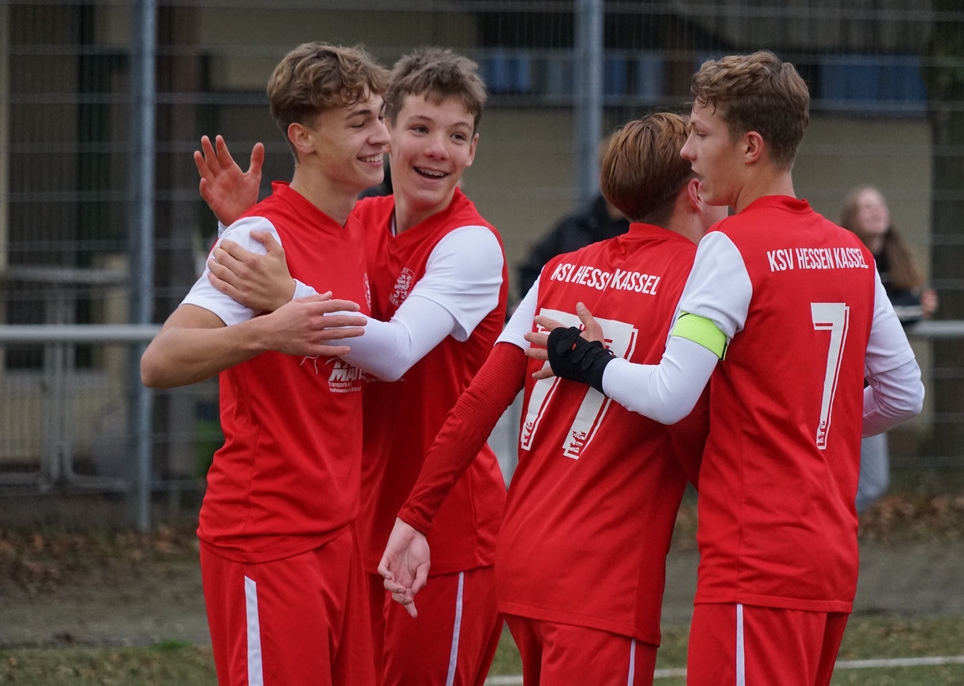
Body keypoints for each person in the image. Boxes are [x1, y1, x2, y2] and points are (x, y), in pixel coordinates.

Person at [525, 51, 925, 685]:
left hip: (754, 559)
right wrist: (807, 428)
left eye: (701, 133)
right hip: (829, 556)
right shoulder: (851, 252)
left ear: (751, 147)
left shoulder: (729, 247)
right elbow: (904, 395)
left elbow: (670, 395)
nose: (688, 151)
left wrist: (588, 360)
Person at [378, 111, 726, 686]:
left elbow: (477, 403)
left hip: (523, 556)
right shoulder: (703, 283)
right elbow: (697, 435)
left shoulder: (562, 269)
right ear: (694, 190)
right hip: (603, 576)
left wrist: (416, 515)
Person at [195, 47, 508, 686]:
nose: (436, 150)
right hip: (357, 524)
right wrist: (250, 227)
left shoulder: (471, 244)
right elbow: (297, 251)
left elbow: (393, 353)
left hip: (442, 528)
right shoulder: (356, 219)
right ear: (389, 131)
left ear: (473, 151)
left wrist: (287, 294)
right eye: (419, 128)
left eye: (457, 136)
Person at [140, 42, 391, 685]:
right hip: (268, 537)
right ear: (302, 138)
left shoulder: (351, 227)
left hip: (338, 532)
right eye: (359, 122)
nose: (381, 137)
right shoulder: (260, 238)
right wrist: (267, 332)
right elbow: (160, 361)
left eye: (381, 117)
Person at [840, 184, 938, 513]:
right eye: (866, 207)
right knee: (862, 480)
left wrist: (914, 307)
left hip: (870, 390)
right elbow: (882, 311)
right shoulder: (845, 254)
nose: (876, 211)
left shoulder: (894, 261)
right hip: (843, 386)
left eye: (879, 205)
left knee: (869, 482)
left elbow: (901, 308)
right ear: (851, 217)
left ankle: (823, 526)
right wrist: (912, 309)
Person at [515, 139, 628, 297]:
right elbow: (531, 272)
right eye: (609, 171)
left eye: (624, 172)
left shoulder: (644, 231)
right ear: (599, 174)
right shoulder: (575, 225)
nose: (617, 180)